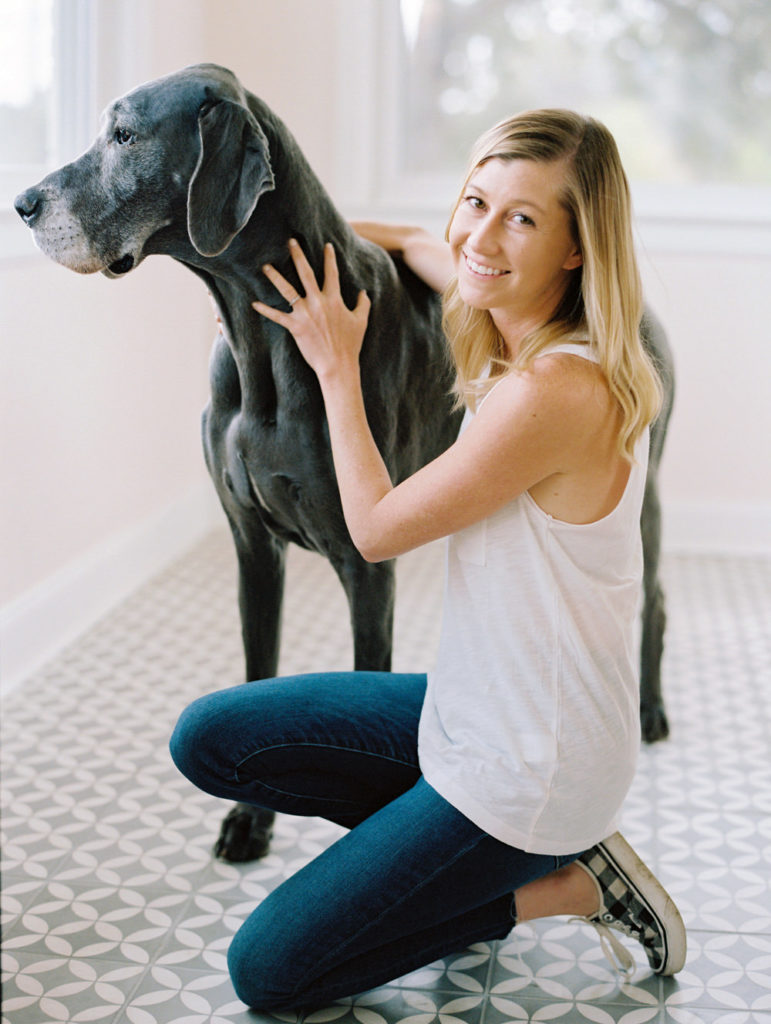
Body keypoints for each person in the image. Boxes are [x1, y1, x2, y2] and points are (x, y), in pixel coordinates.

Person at [170, 109, 686, 1011]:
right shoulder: (508, 308)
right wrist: (283, 242)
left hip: (534, 768)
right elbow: (416, 241)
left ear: (576, 247)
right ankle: (442, 860)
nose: (480, 237)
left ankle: (567, 884)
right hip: (471, 710)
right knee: (209, 737)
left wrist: (336, 366)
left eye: (521, 219)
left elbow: (373, 530)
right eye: (475, 201)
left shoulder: (555, 389)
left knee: (270, 972)